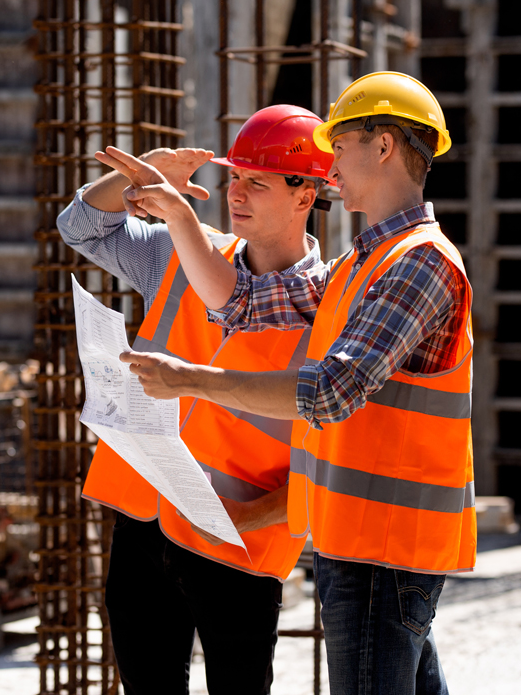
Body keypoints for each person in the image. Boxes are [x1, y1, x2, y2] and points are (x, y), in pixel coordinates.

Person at [120, 72, 476, 695]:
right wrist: (178, 213)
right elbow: (246, 304)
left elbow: (331, 391)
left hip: (384, 550)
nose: (328, 160)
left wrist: (190, 380)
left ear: (384, 145)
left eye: (340, 144)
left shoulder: (420, 260)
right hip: (356, 541)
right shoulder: (359, 262)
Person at [57, 104, 335, 695]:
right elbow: (82, 228)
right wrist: (140, 175)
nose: (237, 193)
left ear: (304, 196)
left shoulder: (331, 307)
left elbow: (334, 452)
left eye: (256, 182)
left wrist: (249, 518)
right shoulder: (185, 252)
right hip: (145, 523)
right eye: (235, 177)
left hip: (241, 542)